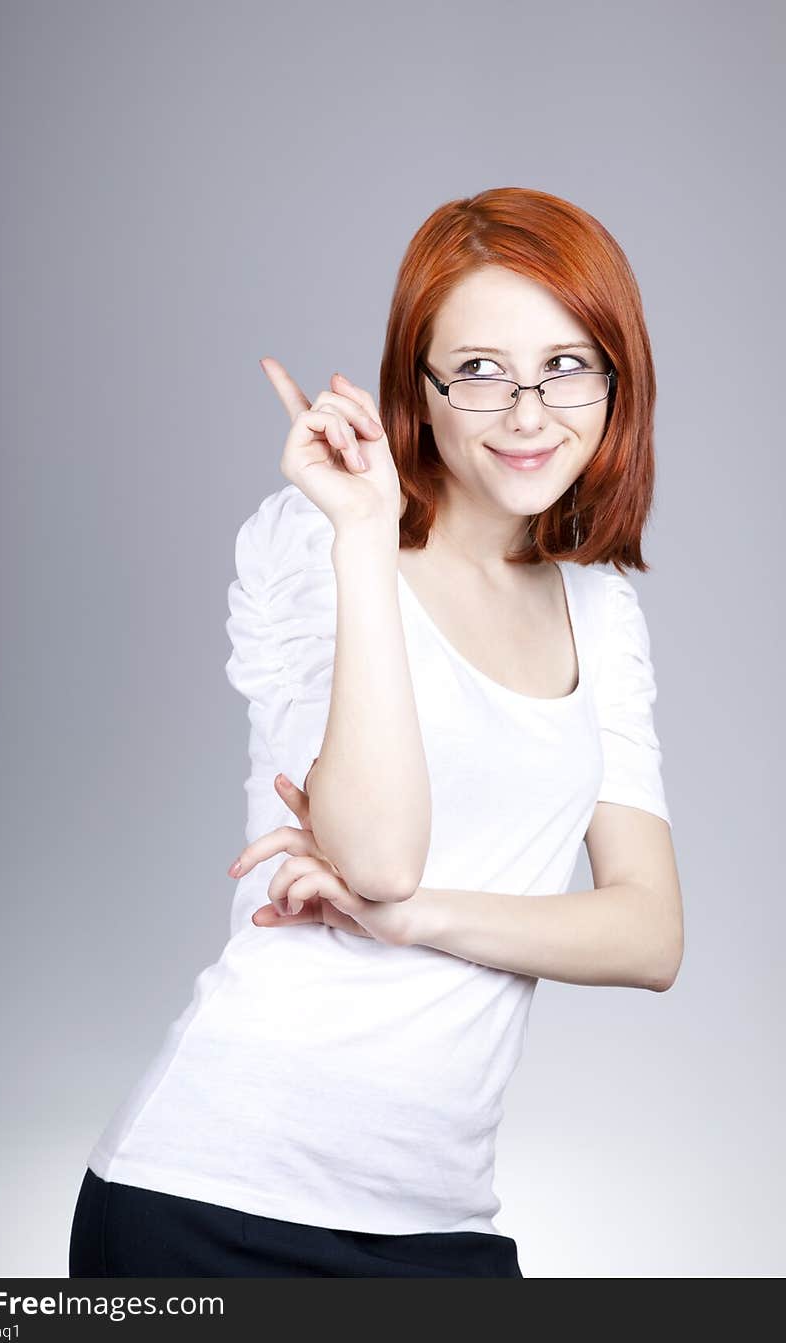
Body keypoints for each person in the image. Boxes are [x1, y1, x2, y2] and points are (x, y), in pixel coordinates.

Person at [69, 186, 684, 1278]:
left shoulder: (600, 609)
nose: (529, 412)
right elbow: (375, 853)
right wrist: (362, 532)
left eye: (567, 364)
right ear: (422, 384)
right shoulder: (316, 541)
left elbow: (647, 934)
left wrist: (419, 918)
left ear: (614, 379)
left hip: (440, 1213)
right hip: (210, 1197)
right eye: (482, 370)